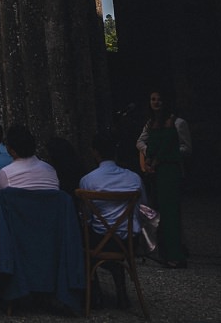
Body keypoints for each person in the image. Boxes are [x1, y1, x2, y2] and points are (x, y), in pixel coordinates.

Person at [79, 131, 145, 309]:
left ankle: (95, 293)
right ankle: (121, 292)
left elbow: (88, 218)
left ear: (95, 152)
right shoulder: (134, 178)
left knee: (82, 242)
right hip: (129, 239)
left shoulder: (88, 181)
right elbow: (142, 208)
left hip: (100, 240)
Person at [142, 102, 187, 267]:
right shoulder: (151, 123)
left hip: (168, 169)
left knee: (170, 213)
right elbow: (149, 144)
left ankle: (175, 254)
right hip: (157, 171)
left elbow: (175, 145)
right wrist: (148, 160)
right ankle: (165, 253)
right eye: (152, 99)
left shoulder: (174, 122)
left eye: (159, 99)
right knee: (159, 211)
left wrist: (155, 161)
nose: (156, 102)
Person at [0, 125, 60, 189]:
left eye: (6, 144)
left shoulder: (6, 173)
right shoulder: (50, 169)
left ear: (12, 151)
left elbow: (3, 196)